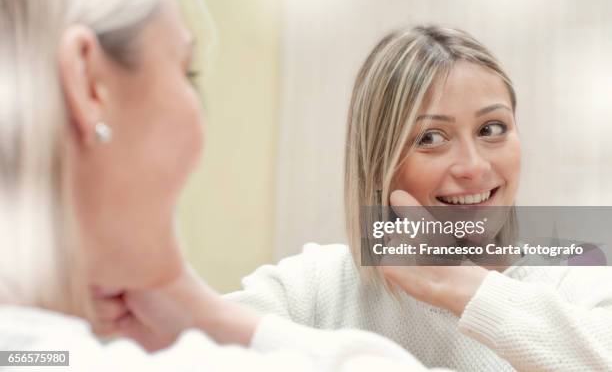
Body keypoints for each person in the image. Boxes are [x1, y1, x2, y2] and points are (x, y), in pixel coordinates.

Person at [0, 0, 452, 370]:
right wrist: (204, 315)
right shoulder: (316, 278)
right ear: (88, 84)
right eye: (186, 71)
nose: (470, 166)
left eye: (494, 128)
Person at [217, 26, 612, 371]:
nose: (473, 167)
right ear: (380, 161)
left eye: (492, 128)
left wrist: (458, 283)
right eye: (430, 138)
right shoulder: (317, 287)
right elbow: (188, 348)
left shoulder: (578, 277)